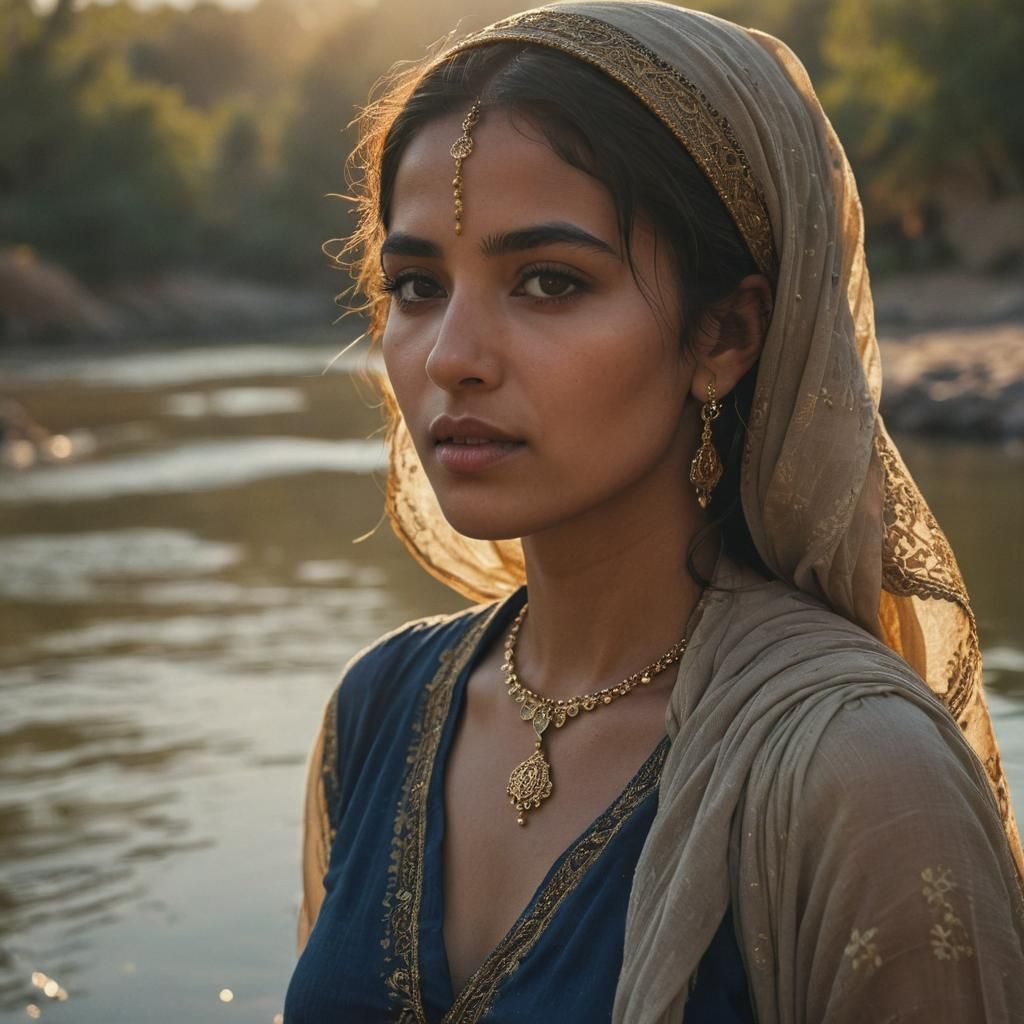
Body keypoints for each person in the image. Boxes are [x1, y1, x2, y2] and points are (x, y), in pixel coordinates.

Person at [284, 3, 1024, 1020]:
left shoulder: (853, 776)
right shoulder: (377, 710)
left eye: (547, 281)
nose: (450, 356)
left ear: (723, 333)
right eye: (415, 285)